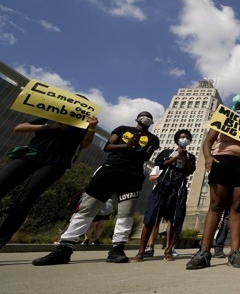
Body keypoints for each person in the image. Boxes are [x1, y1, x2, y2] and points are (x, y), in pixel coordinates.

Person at [32, 111, 159, 266]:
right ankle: (64, 248)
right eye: (143, 115)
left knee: (126, 213)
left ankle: (117, 249)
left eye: (149, 117)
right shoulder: (122, 129)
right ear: (137, 118)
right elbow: (108, 147)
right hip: (110, 169)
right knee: (88, 207)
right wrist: (127, 144)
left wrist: (136, 146)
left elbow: (147, 156)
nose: (146, 118)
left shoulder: (153, 138)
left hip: (133, 175)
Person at [0, 113, 98, 249]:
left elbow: (85, 144)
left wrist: (92, 128)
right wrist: (50, 126)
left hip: (55, 164)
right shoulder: (49, 116)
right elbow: (19, 128)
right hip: (30, 155)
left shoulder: (83, 125)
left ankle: (1, 240)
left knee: (26, 199)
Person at [186, 95, 240, 270]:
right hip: (222, 161)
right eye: (237, 108)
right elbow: (208, 141)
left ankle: (235, 252)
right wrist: (208, 157)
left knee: (237, 206)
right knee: (216, 204)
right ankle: (204, 251)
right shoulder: (222, 119)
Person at [132, 129, 196, 262]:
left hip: (178, 190)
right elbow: (159, 164)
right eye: (182, 137)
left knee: (174, 221)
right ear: (177, 139)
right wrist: (175, 157)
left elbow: (189, 171)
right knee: (151, 219)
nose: (185, 139)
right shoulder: (167, 152)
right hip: (162, 187)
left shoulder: (190, 157)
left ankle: (169, 251)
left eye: (187, 137)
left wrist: (184, 158)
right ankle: (141, 251)